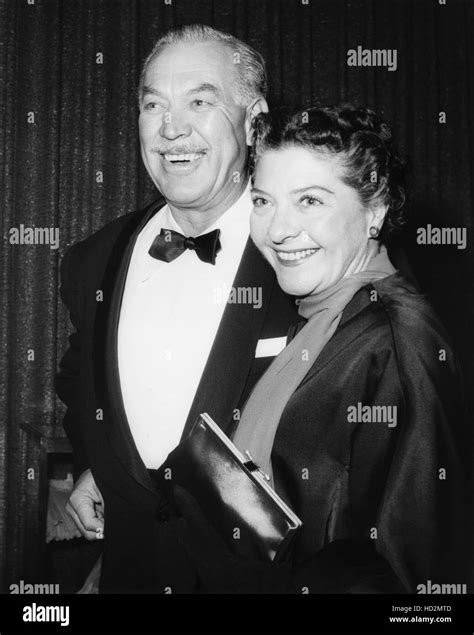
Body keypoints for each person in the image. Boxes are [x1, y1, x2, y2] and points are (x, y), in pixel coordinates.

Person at [170, 104, 468, 593]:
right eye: (264, 202)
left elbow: (415, 573)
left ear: (376, 210)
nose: (278, 230)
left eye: (309, 201)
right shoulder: (319, 314)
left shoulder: (398, 340)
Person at [55, 24, 300, 593]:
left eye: (200, 101)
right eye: (152, 104)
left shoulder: (307, 258)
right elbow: (79, 382)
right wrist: (101, 463)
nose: (171, 128)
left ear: (255, 120)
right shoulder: (94, 258)